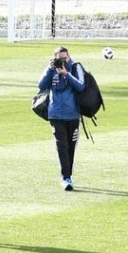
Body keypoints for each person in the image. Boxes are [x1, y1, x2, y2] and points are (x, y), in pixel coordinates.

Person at [37, 46, 86, 190]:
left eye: (64, 58)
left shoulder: (76, 68)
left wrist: (66, 74)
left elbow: (81, 87)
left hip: (72, 115)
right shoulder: (52, 70)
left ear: (69, 56)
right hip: (56, 115)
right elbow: (40, 86)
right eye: (59, 58)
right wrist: (50, 68)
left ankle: (68, 175)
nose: (62, 61)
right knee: (61, 146)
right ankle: (65, 177)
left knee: (71, 147)